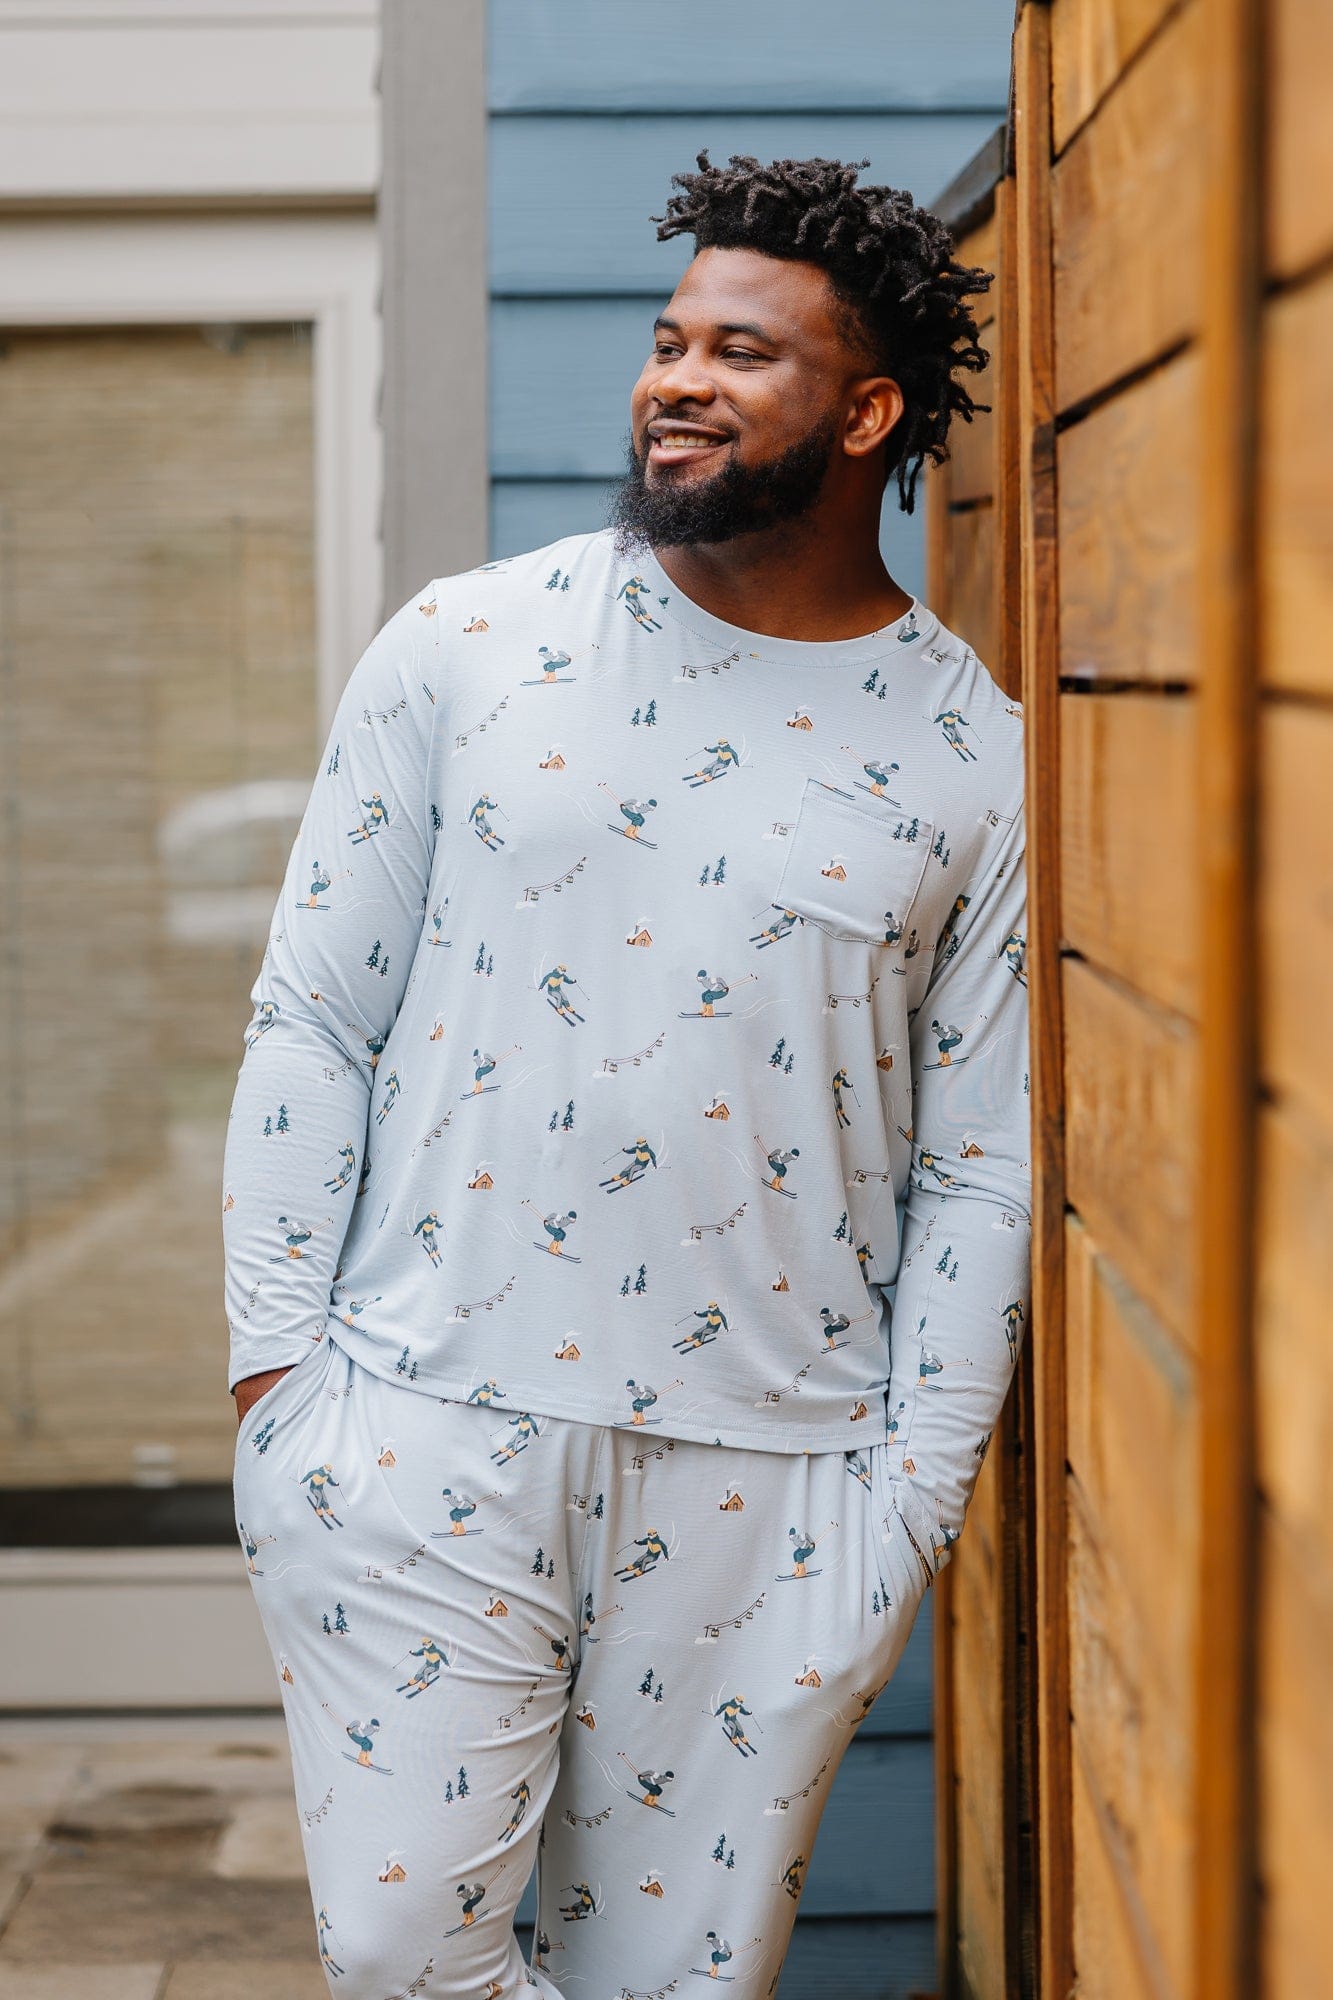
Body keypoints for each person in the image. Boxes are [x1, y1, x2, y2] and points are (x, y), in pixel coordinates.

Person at [226, 149, 1030, 1999]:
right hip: (424, 1427)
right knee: (403, 1955)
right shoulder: (468, 648)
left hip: (778, 1483)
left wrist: (904, 1498)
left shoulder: (971, 759)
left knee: (675, 1983)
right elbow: (310, 1020)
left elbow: (982, 1165)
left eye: (738, 353)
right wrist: (285, 1394)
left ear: (867, 412)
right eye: (668, 340)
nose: (672, 377)